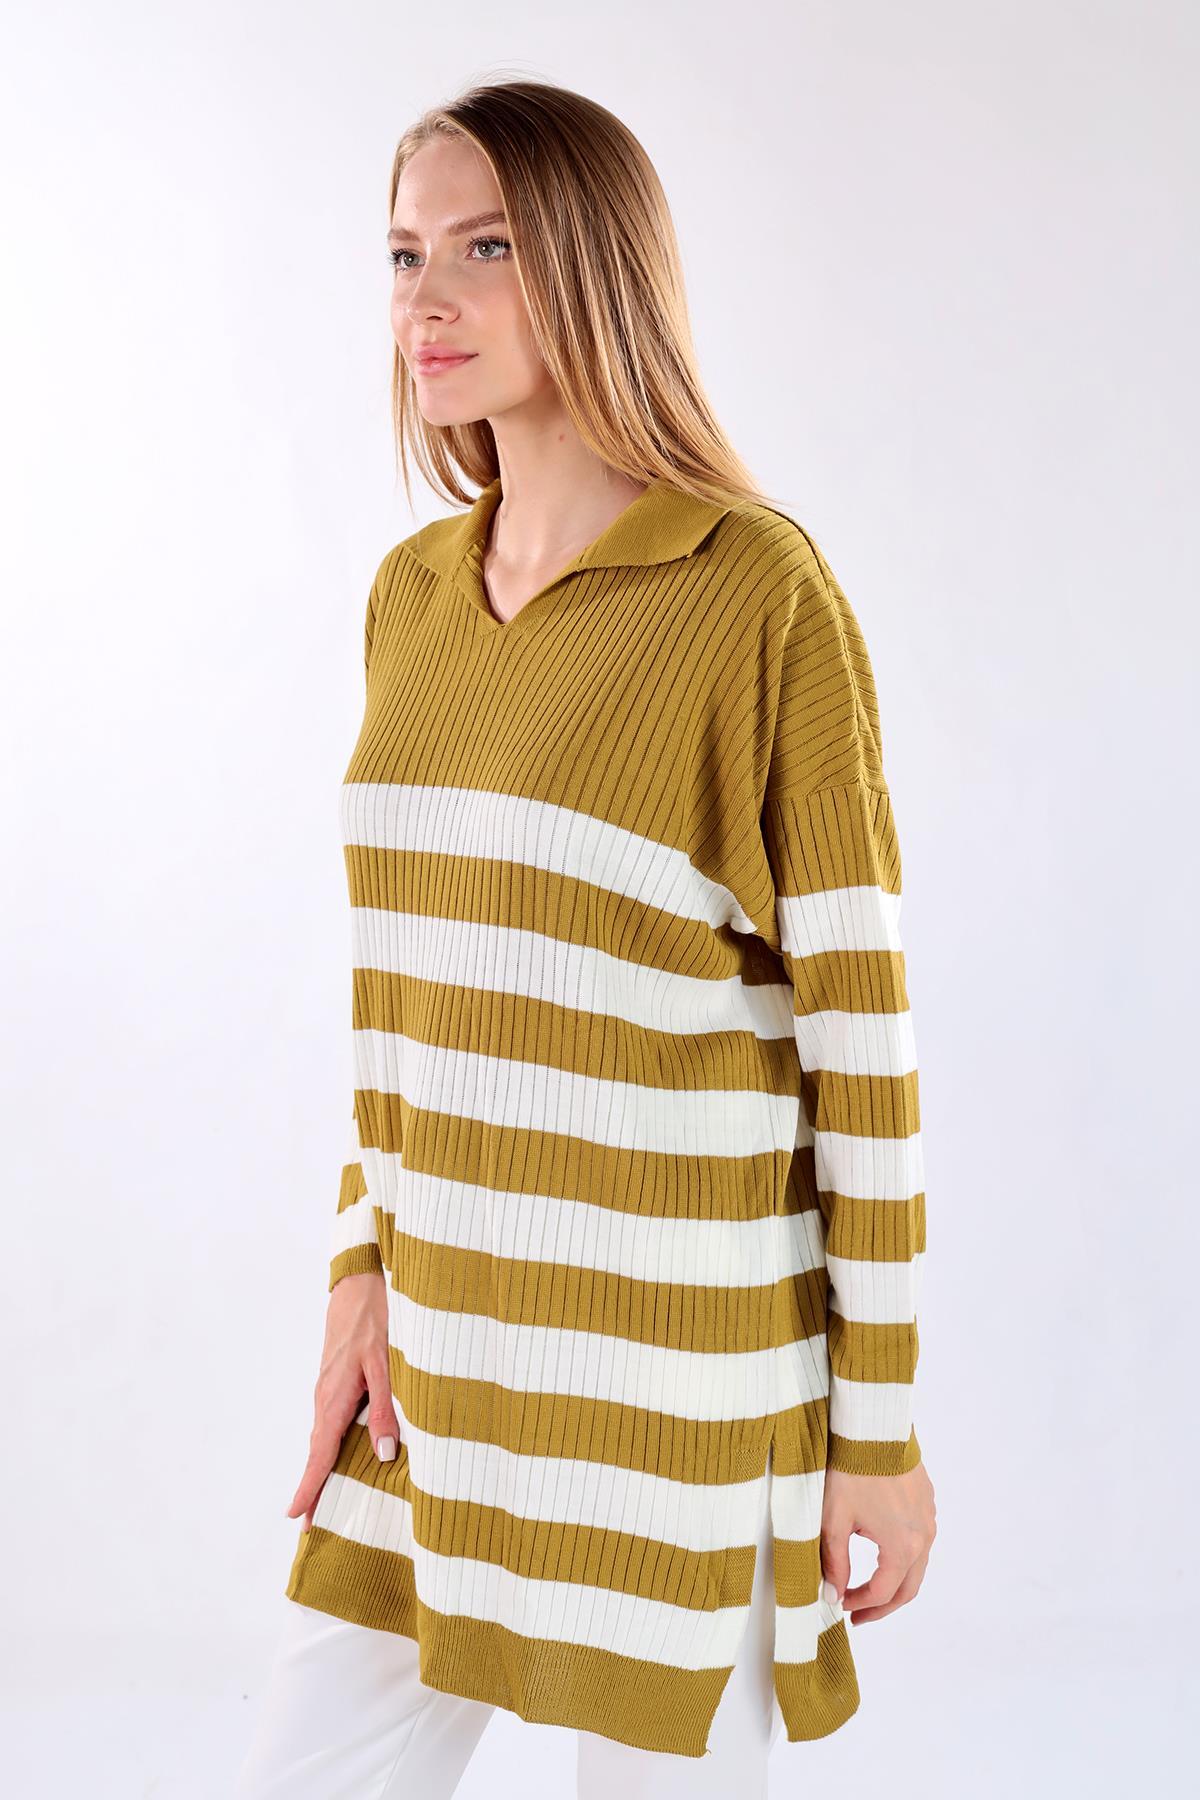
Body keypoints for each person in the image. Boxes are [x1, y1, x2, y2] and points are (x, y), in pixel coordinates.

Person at [236, 76, 937, 1800]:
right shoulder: (413, 597)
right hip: (438, 1368)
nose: (427, 299)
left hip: (676, 1392)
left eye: (486, 248)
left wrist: (881, 1430)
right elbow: (412, 994)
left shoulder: (756, 594)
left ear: (598, 269)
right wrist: (359, 1267)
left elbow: (862, 1049)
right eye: (404, 253)